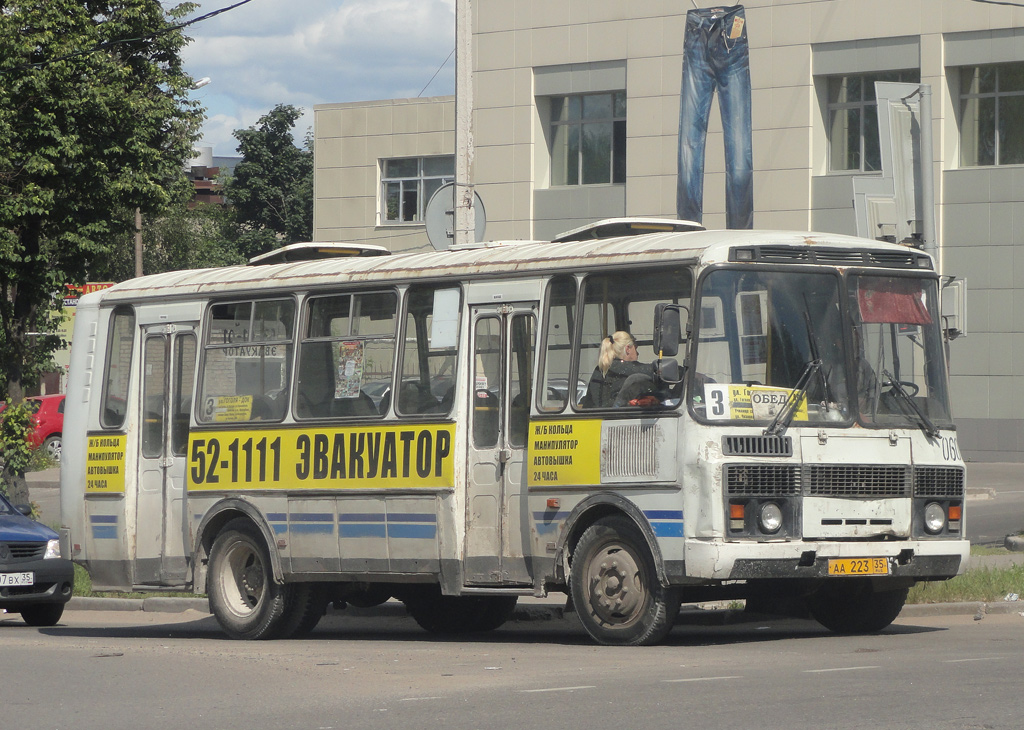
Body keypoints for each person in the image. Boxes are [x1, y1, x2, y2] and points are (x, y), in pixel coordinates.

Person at [584, 331, 656, 407]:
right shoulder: (630, 369)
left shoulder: (600, 369)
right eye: (635, 348)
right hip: (616, 417)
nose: (638, 353)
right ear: (628, 349)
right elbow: (654, 371)